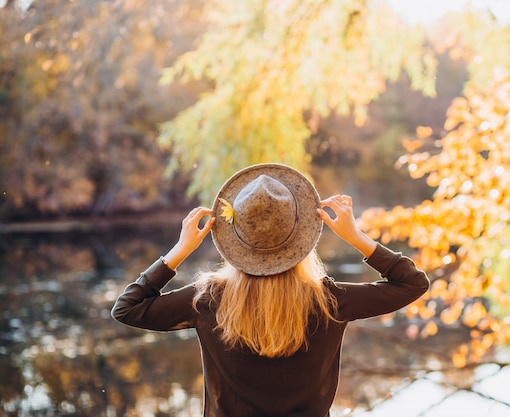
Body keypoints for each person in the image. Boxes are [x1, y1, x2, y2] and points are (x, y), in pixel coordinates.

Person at [111, 163, 430, 417]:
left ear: (235, 240)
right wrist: (357, 237)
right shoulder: (329, 301)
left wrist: (178, 252)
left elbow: (127, 309)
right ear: (302, 238)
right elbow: (412, 284)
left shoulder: (209, 300)